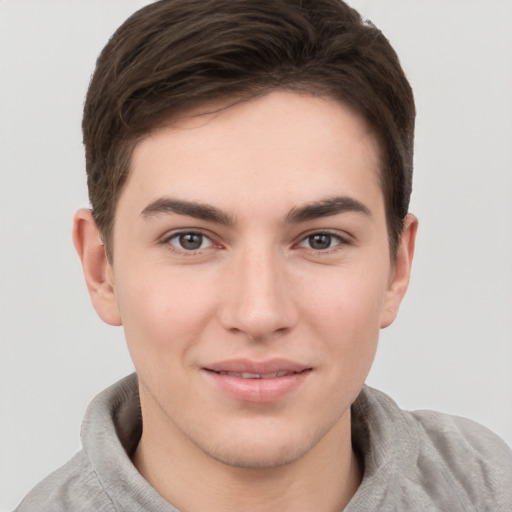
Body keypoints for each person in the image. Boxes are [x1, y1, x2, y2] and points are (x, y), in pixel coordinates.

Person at [15, 0, 512, 510]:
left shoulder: (489, 484)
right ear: (102, 270)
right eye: (191, 239)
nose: (259, 313)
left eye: (321, 239)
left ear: (396, 268)